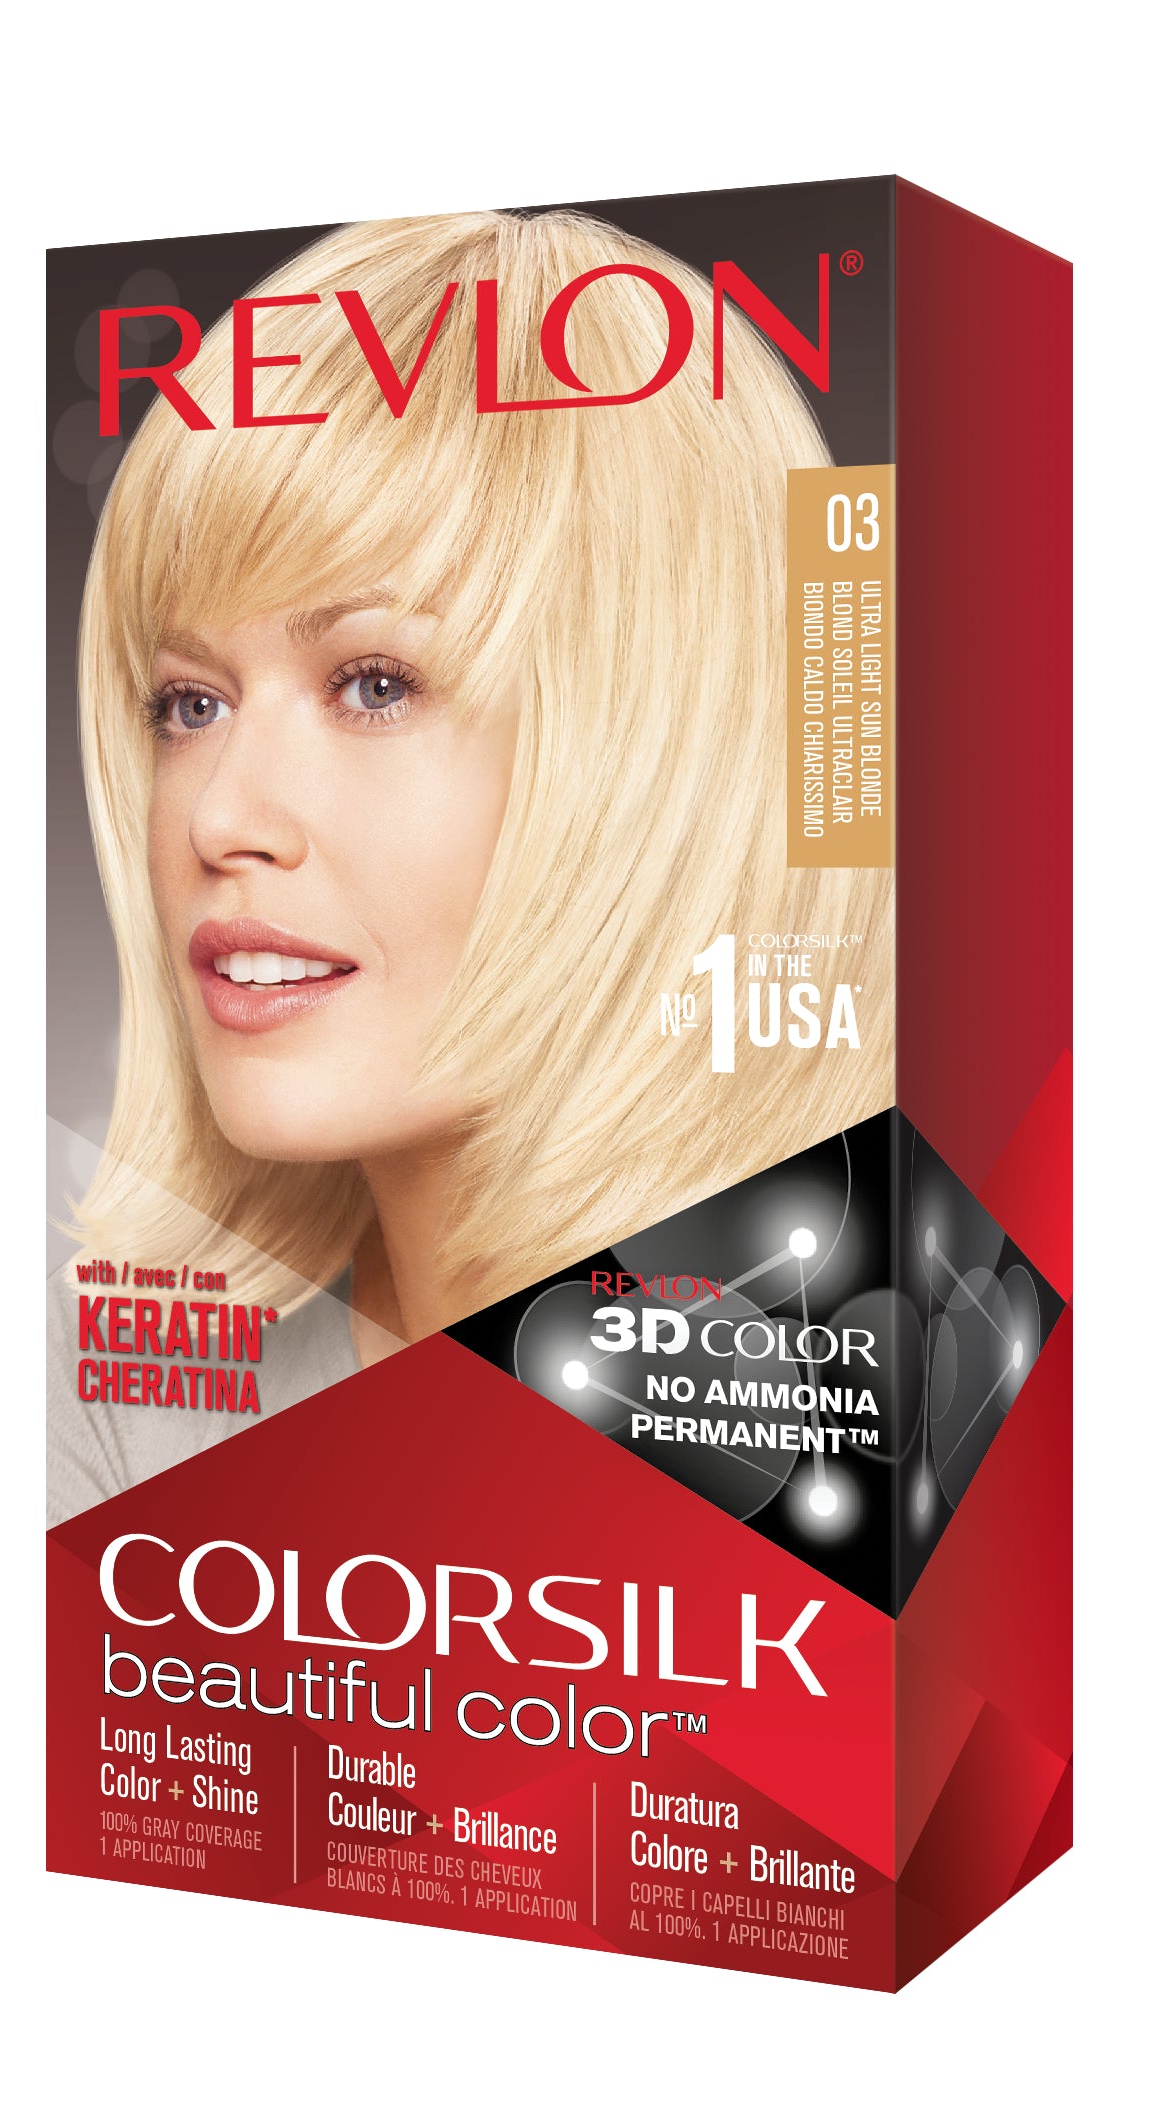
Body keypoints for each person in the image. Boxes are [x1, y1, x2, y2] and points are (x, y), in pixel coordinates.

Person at [48, 208, 892, 1522]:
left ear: (664, 744)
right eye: (189, 703)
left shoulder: (899, 1401)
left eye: (374, 683)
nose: (219, 817)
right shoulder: (106, 1371)